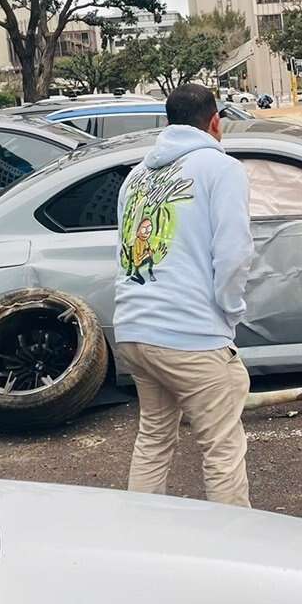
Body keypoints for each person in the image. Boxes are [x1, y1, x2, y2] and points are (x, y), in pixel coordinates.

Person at [115, 83, 253, 507]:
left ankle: (140, 535)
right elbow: (233, 254)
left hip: (134, 327)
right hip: (188, 333)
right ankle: (233, 550)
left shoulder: (136, 176)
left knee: (154, 438)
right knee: (222, 447)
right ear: (215, 122)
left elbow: (126, 252)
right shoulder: (220, 168)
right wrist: (228, 317)